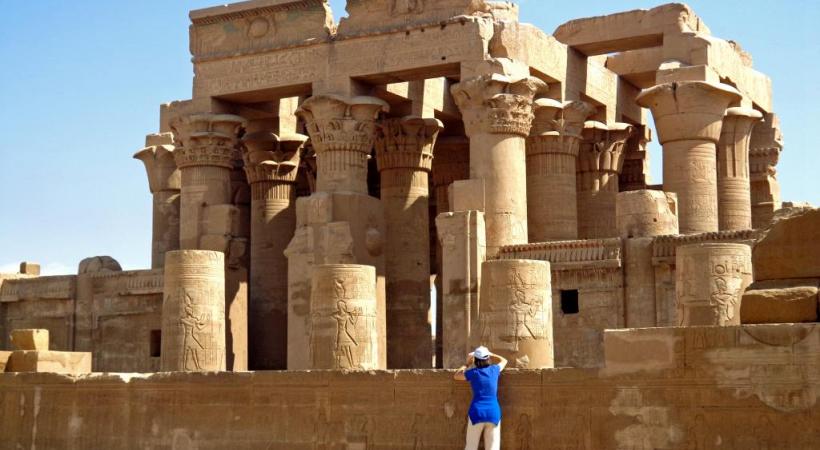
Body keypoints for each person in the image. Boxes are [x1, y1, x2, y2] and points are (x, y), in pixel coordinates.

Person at [453, 346, 507, 450]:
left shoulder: (473, 373)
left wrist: (467, 363)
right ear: (487, 359)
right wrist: (491, 353)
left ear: (476, 360)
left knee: (471, 447)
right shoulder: (494, 370)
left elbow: (456, 375)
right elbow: (504, 360)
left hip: (477, 412)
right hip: (493, 412)